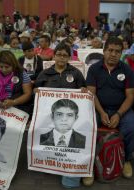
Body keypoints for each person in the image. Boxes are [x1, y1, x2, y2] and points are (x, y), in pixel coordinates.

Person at [86, 37, 134, 180]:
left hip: (121, 110)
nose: (113, 54)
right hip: (98, 108)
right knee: (85, 127)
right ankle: (87, 164)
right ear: (104, 51)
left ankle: (126, 159)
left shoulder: (127, 70)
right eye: (110, 50)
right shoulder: (94, 69)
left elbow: (130, 96)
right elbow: (91, 93)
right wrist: (101, 112)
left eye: (117, 51)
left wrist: (118, 114)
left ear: (121, 53)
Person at [34, 43, 86, 188]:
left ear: (69, 57)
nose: (62, 58)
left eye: (65, 55)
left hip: (71, 118)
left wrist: (83, 91)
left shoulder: (75, 73)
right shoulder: (45, 73)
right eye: (59, 54)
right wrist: (36, 92)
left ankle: (70, 168)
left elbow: (85, 90)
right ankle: (51, 162)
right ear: (54, 55)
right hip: (49, 117)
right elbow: (35, 90)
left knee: (73, 140)